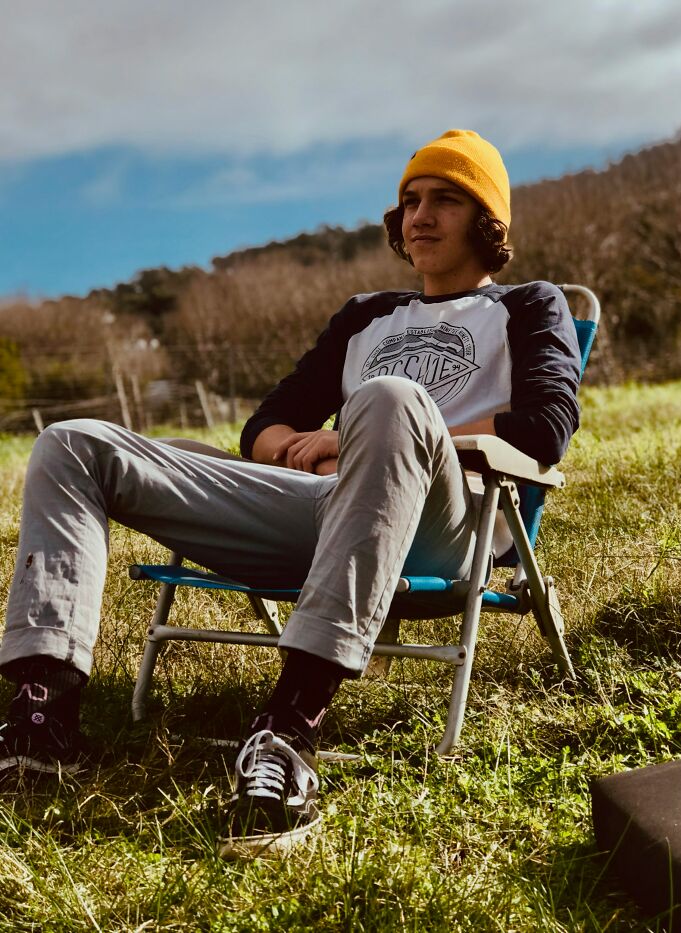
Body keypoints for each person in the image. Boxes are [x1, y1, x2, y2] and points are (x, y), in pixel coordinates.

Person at [0, 130, 581, 856]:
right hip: (319, 511)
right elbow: (263, 427)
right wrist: (305, 449)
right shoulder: (367, 315)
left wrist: (359, 436)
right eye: (409, 201)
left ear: (487, 220)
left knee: (390, 400)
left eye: (446, 200)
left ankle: (289, 731)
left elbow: (546, 428)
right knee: (72, 441)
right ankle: (42, 718)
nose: (420, 216)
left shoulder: (529, 305)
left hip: (444, 523)